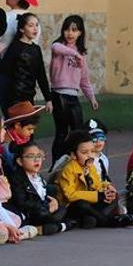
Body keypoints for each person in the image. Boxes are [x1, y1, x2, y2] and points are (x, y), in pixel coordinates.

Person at [55, 130, 131, 228]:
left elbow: (97, 184)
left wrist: (107, 188)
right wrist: (98, 196)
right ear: (73, 155)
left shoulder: (90, 166)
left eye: (92, 151)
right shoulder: (68, 169)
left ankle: (93, 219)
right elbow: (70, 195)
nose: (90, 155)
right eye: (84, 152)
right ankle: (105, 221)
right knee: (81, 204)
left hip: (90, 204)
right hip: (72, 206)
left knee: (114, 197)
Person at [49, 15, 98, 161]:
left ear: (80, 33)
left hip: (73, 95)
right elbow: (56, 47)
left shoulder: (81, 53)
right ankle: (57, 162)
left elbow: (84, 79)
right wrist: (75, 53)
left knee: (78, 132)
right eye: (67, 29)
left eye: (74, 30)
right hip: (59, 94)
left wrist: (92, 98)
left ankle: (76, 160)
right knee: (62, 131)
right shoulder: (59, 47)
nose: (70, 33)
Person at [7, 142, 76, 235]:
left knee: (65, 208)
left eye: (39, 156)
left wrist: (54, 202)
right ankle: (61, 225)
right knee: (44, 214)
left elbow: (44, 195)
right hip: (31, 214)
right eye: (31, 156)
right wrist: (46, 208)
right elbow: (22, 203)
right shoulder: (16, 179)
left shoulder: (38, 177)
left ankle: (56, 226)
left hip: (44, 210)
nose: (36, 160)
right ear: (20, 161)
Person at [1, 12, 52, 111]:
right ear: (22, 29)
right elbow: (4, 70)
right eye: (31, 25)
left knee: (28, 126)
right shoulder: (15, 47)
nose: (35, 29)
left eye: (37, 25)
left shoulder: (36, 49)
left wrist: (48, 99)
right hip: (13, 98)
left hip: (29, 97)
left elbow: (41, 75)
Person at [85, 119, 111, 183]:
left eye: (101, 138)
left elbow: (105, 178)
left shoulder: (104, 158)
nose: (98, 142)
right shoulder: (85, 161)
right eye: (94, 139)